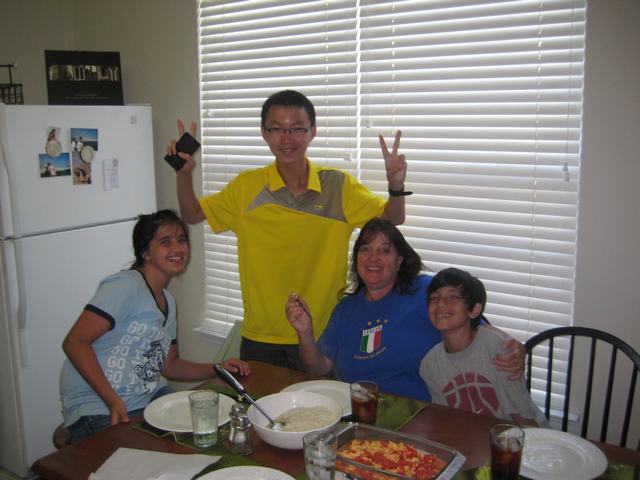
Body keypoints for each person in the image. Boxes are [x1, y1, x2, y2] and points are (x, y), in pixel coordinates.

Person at [169, 89, 409, 369]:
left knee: (322, 399)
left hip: (322, 333)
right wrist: (183, 175)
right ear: (264, 133)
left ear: (312, 132)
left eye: (296, 129)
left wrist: (396, 186)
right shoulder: (247, 187)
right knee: (260, 399)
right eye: (277, 129)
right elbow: (192, 214)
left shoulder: (337, 186)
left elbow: (392, 218)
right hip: (261, 335)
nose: (287, 138)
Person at [59, 210, 250, 443]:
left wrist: (218, 368)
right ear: (145, 253)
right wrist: (112, 400)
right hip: (96, 404)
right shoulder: (125, 286)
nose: (177, 248)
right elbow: (74, 342)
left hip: (145, 397)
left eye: (181, 240)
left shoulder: (168, 301)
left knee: (210, 428)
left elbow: (170, 366)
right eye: (165, 242)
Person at [285, 218, 524, 401]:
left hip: (423, 416)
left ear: (399, 261)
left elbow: (477, 329)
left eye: (384, 250)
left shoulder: (428, 291)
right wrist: (305, 333)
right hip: (360, 413)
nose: (373, 258)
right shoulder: (346, 309)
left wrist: (513, 349)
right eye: (365, 249)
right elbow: (319, 367)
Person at [419, 267, 547, 425]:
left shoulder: (497, 349)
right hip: (471, 434)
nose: (441, 304)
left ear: (474, 310)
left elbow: (524, 419)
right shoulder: (430, 364)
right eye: (434, 299)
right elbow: (448, 420)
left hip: (523, 433)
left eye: (453, 298)